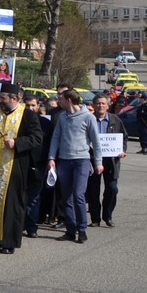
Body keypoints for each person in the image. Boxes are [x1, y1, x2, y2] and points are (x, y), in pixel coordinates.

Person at [0, 83, 44, 254]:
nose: (0, 101)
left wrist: (17, 143)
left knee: (12, 206)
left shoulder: (28, 115)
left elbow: (37, 138)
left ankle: (9, 242)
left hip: (15, 168)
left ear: (14, 98)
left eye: (3, 98)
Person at [48, 89, 103, 244]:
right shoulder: (63, 117)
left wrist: (98, 162)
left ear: (69, 100)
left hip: (81, 161)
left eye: (61, 99)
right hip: (64, 161)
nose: (59, 101)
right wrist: (51, 157)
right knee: (66, 197)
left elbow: (96, 141)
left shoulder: (88, 117)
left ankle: (82, 229)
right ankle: (70, 231)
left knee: (78, 195)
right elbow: (56, 137)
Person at [86, 94, 126, 228]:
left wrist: (122, 150)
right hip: (92, 160)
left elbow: (123, 137)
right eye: (98, 103)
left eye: (103, 103)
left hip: (111, 160)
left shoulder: (115, 120)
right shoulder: (89, 119)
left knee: (112, 189)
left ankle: (108, 216)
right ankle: (95, 219)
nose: (100, 106)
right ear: (93, 105)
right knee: (93, 191)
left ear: (108, 106)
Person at [23, 92, 54, 239]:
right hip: (21, 162)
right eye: (27, 105)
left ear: (38, 106)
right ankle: (19, 224)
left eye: (33, 105)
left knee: (34, 196)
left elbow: (51, 144)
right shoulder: (18, 121)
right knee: (20, 195)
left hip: (39, 164)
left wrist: (50, 161)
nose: (30, 108)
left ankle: (31, 227)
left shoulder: (45, 123)